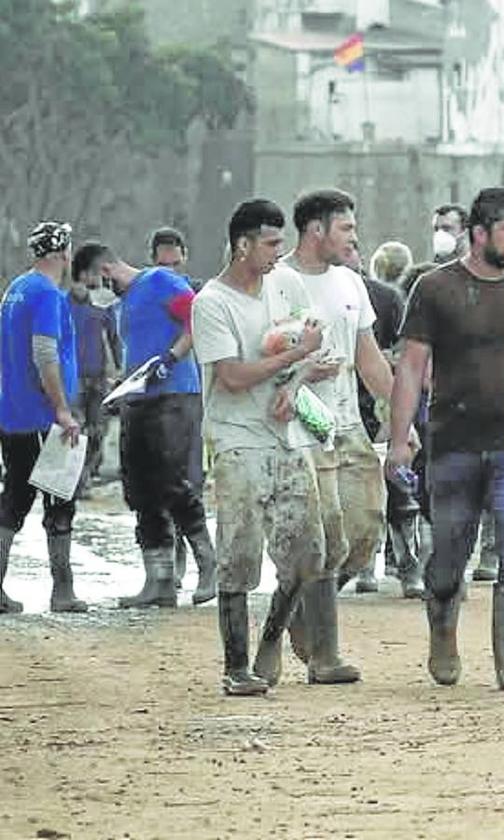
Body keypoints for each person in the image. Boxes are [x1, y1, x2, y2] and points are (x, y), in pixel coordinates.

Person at [388, 187, 504, 690]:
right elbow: (411, 367)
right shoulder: (435, 289)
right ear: (479, 233)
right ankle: (442, 630)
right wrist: (399, 439)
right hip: (453, 444)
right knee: (449, 551)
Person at [190, 198, 335, 695]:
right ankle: (235, 666)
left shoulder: (286, 285)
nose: (279, 252)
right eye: (271, 243)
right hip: (236, 439)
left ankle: (272, 637)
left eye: (280, 241)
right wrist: (296, 354)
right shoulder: (212, 302)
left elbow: (317, 351)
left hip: (288, 435)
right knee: (240, 550)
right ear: (242, 245)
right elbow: (230, 376)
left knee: (308, 552)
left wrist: (295, 383)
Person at [281, 189, 392, 674]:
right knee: (324, 534)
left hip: (348, 421)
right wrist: (298, 371)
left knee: (366, 529)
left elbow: (368, 356)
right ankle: (325, 655)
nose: (354, 237)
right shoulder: (277, 282)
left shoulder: (350, 282)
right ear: (316, 230)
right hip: (300, 425)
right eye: (345, 228)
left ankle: (300, 607)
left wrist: (400, 415)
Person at [72, 241, 217, 608]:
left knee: (172, 482)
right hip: (139, 399)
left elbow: (196, 321)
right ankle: (159, 580)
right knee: (140, 488)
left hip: (173, 396)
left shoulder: (160, 282)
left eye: (92, 286)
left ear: (104, 272)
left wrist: (172, 357)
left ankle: (208, 563)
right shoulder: (122, 305)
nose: (94, 296)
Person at [0, 222, 88, 614]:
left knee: (13, 498)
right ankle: (63, 590)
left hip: (13, 412)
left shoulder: (15, 290)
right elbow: (44, 354)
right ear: (64, 253)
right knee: (59, 502)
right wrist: (62, 410)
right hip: (41, 418)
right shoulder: (47, 295)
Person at [431, 202, 499, 582]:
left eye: (447, 227)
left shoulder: (498, 279)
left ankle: (489, 553)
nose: (440, 233)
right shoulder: (429, 282)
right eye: (436, 226)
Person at [362, 241, 427, 597]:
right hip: (340, 404)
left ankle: (408, 564)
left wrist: (399, 417)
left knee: (400, 484)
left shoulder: (385, 299)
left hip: (383, 400)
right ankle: (362, 565)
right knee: (358, 492)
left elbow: (406, 357)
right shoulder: (311, 296)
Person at [149, 225, 205, 587]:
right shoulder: (147, 291)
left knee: (189, 479)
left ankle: (192, 561)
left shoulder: (200, 295)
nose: (170, 269)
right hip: (154, 397)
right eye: (162, 263)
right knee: (158, 482)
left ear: (184, 256)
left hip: (189, 394)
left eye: (175, 261)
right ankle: (169, 564)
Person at [66, 272, 120, 491]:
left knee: (98, 429)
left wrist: (119, 369)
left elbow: (114, 338)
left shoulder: (101, 307)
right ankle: (74, 480)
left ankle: (89, 470)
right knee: (73, 428)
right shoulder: (61, 305)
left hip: (98, 375)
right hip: (71, 377)